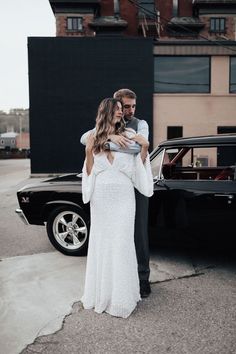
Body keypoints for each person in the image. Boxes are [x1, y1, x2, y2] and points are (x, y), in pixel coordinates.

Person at [81, 98, 153, 318]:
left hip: (123, 198)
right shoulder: (94, 137)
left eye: (123, 109)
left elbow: (138, 168)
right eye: (118, 109)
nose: (121, 112)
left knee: (122, 243)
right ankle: (103, 294)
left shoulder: (129, 136)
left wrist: (145, 147)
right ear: (106, 112)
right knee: (102, 244)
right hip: (101, 198)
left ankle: (122, 298)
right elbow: (89, 169)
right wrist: (96, 145)